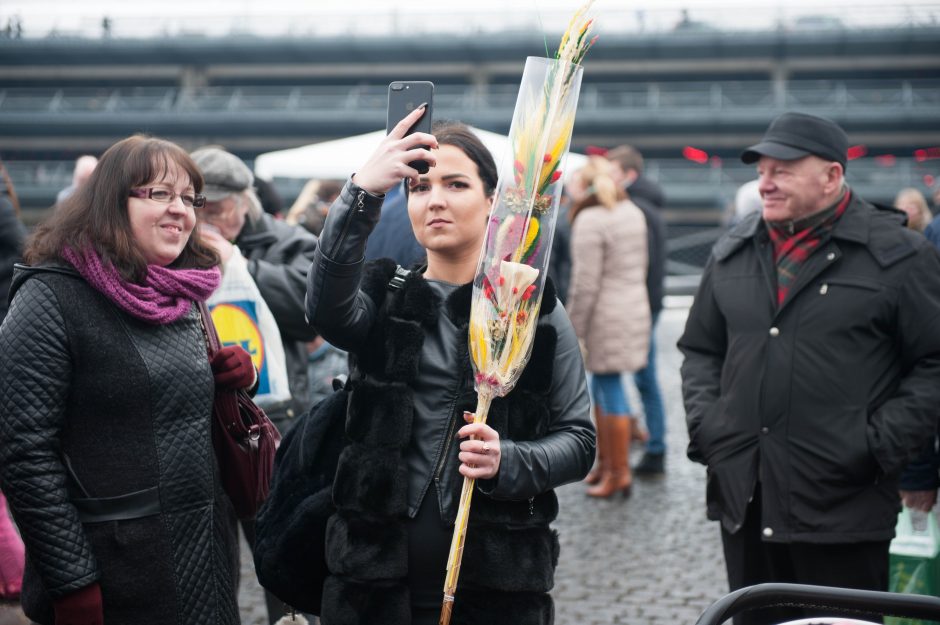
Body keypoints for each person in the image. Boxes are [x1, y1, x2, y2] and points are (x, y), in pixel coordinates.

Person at [302, 113, 594, 624]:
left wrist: (509, 459)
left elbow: (579, 440)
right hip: (371, 581)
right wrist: (361, 193)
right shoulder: (383, 294)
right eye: (419, 187)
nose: (434, 199)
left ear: (491, 201)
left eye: (455, 184)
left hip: (495, 586)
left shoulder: (531, 311)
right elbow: (324, 308)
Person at [679, 112, 940, 625]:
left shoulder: (900, 255)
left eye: (783, 170)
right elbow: (701, 351)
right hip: (747, 501)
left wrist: (875, 447)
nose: (766, 183)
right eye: (761, 171)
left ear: (832, 176)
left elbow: (933, 363)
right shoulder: (732, 251)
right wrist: (712, 429)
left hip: (843, 506)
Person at [0, 135, 254, 625]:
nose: (180, 209)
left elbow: (168, 402)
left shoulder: (182, 291)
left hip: (205, 559)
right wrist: (70, 580)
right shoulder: (50, 296)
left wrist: (228, 379)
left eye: (188, 197)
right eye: (159, 194)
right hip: (115, 573)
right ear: (113, 202)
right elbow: (23, 453)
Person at [190, 146, 319, 430]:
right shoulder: (175, 240)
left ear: (244, 204)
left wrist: (241, 267)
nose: (203, 224)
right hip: (200, 410)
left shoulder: (290, 242)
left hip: (274, 410)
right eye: (196, 211)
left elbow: (311, 312)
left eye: (215, 212)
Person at [566, 156, 650, 498]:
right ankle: (607, 464)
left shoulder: (590, 219)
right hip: (632, 308)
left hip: (605, 315)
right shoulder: (632, 211)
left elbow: (585, 283)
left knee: (609, 389)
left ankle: (618, 471)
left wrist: (573, 327)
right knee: (607, 386)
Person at [607, 144, 669, 475]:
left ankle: (655, 449)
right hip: (648, 302)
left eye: (612, 173)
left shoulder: (635, 209)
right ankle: (650, 442)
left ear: (629, 175)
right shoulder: (650, 207)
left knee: (644, 378)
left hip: (638, 305)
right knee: (645, 377)